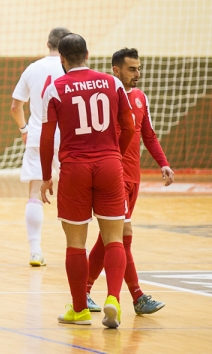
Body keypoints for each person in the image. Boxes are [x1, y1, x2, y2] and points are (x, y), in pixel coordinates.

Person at [40, 34, 135, 328]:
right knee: (114, 238)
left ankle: (80, 310)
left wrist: (45, 176)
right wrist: (114, 155)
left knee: (76, 243)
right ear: (88, 54)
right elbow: (129, 126)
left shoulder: (55, 88)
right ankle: (113, 299)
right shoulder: (113, 82)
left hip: (75, 169)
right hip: (109, 166)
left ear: (62, 59)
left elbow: (46, 138)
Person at [85, 48, 174, 315]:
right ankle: (137, 295)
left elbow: (148, 135)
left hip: (133, 178)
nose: (138, 73)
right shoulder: (107, 99)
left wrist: (164, 163)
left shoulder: (140, 98)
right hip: (114, 177)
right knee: (123, 237)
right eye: (132, 69)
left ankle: (84, 291)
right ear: (116, 70)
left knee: (109, 238)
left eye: (139, 68)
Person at [11, 27, 70, 266]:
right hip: (69, 139)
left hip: (38, 136)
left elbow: (15, 107)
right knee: (77, 194)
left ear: (48, 44)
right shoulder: (71, 69)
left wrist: (24, 130)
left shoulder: (32, 68)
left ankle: (35, 252)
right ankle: (78, 250)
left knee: (34, 193)